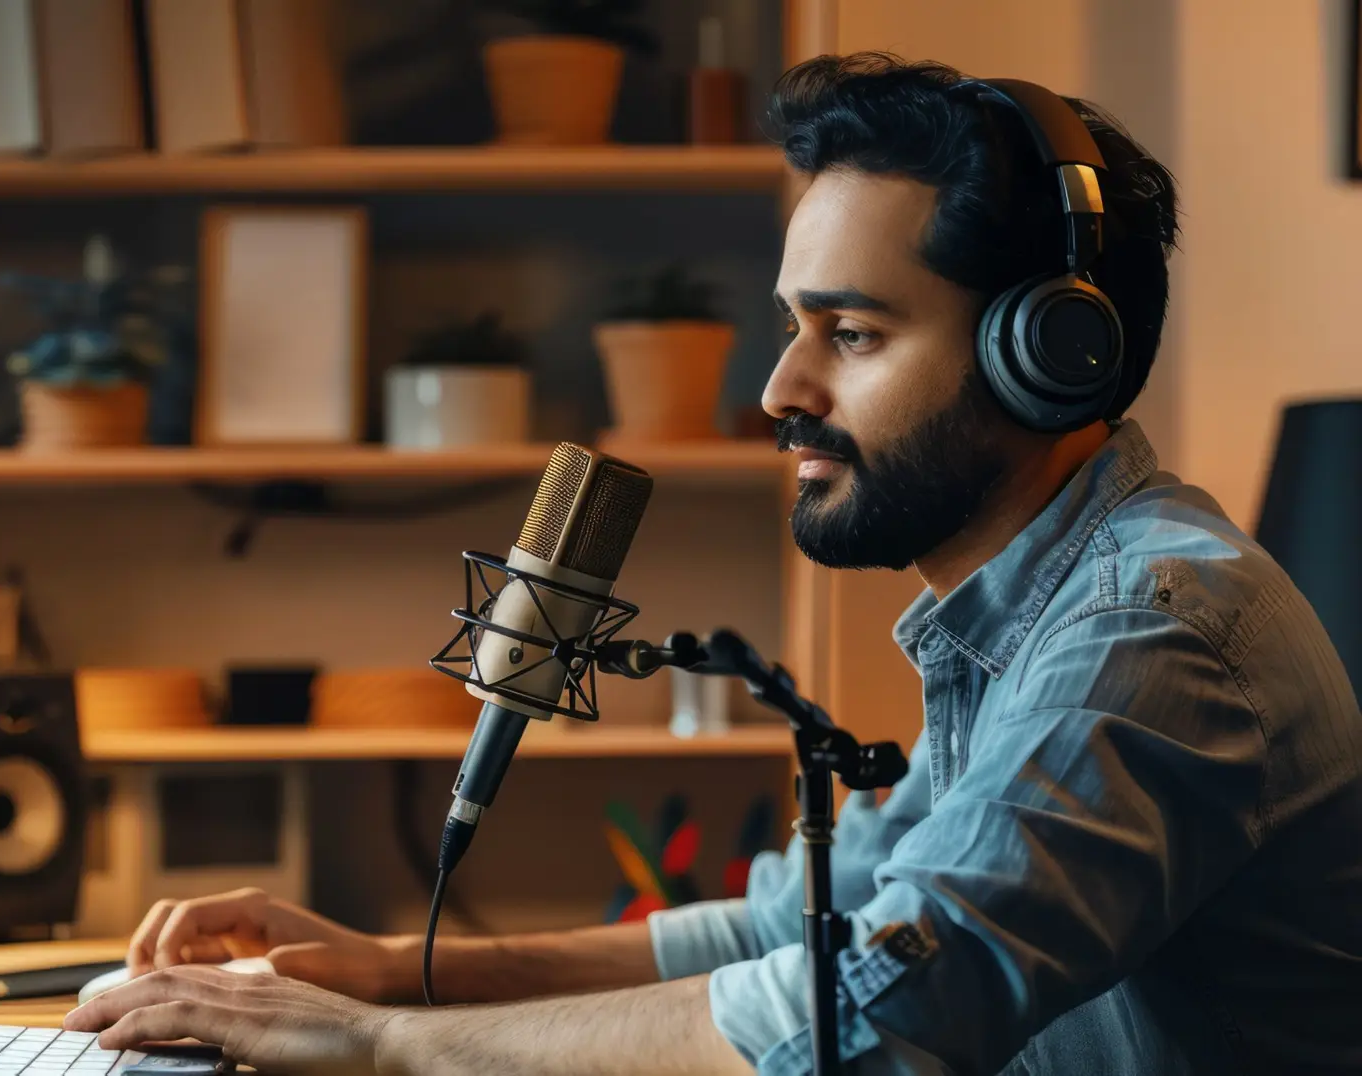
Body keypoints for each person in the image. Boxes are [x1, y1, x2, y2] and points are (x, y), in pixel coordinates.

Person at [66, 53, 1362, 1075]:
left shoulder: (1153, 633)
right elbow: (791, 934)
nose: (777, 389)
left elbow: (871, 1017)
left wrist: (379, 1045)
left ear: (1051, 352)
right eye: (794, 326)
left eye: (849, 334)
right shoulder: (1027, 616)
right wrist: (392, 971)